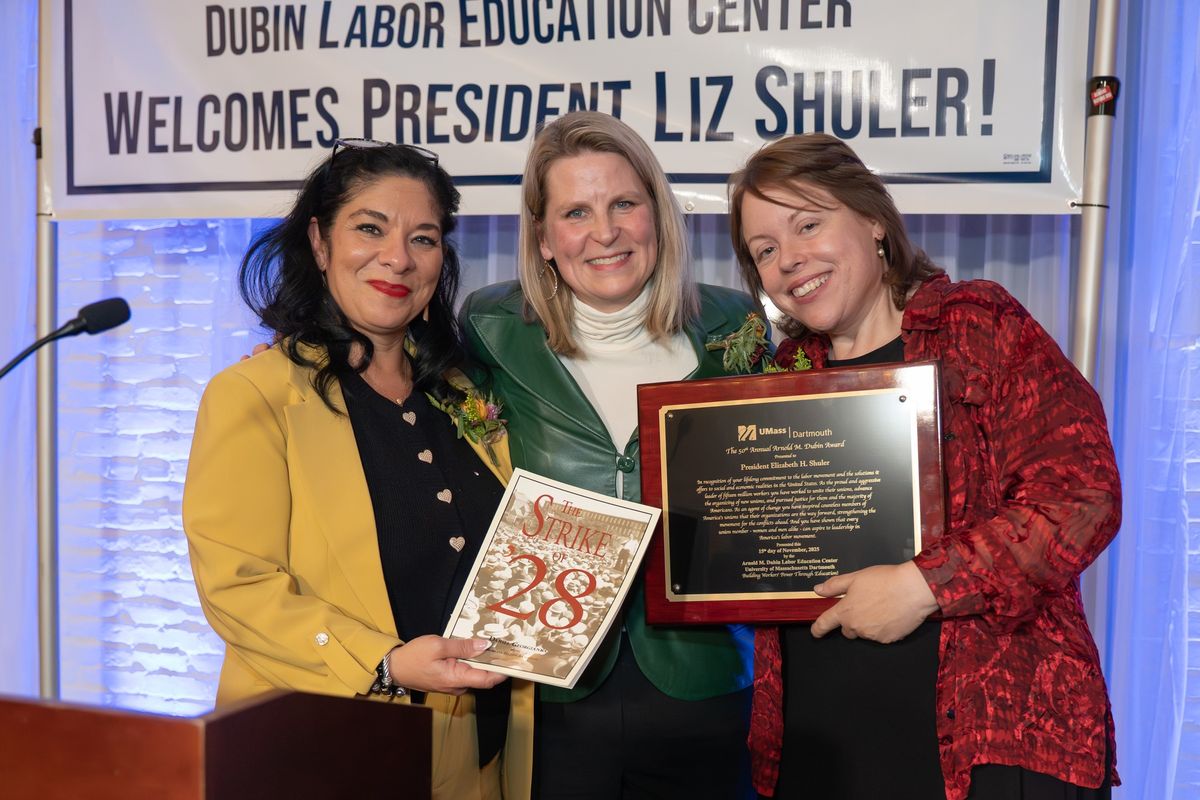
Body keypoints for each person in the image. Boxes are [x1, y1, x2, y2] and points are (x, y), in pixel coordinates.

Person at [726, 133, 1120, 800]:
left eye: (809, 225)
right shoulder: (780, 380)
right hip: (821, 754)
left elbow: (1082, 496)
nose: (790, 259)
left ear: (874, 221)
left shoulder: (980, 325)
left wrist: (922, 585)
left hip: (988, 747)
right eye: (765, 251)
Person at [182, 140, 533, 800]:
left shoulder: (464, 392)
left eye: (423, 238)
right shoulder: (254, 395)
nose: (397, 257)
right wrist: (385, 662)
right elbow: (237, 587)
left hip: (474, 759)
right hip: (323, 753)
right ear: (319, 242)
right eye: (370, 228)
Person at [459, 111, 758, 798]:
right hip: (550, 692)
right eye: (575, 211)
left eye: (624, 202)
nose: (604, 232)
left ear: (657, 210)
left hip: (706, 682)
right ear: (542, 237)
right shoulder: (489, 328)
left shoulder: (735, 324)